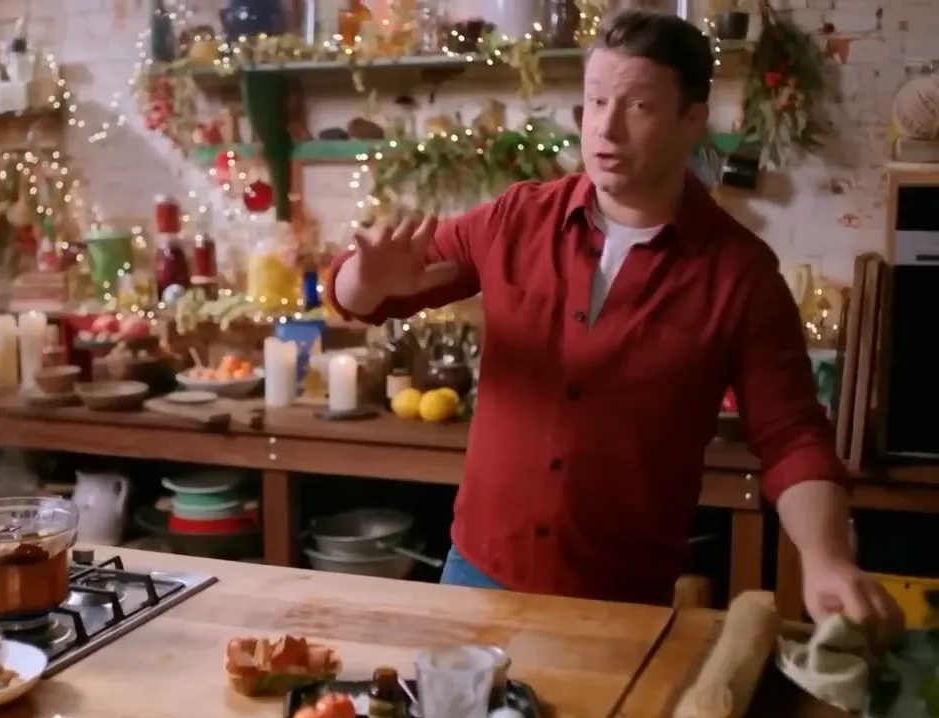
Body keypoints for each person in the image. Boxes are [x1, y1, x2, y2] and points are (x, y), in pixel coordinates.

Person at [326, 10, 903, 644]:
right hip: (478, 576)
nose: (604, 126)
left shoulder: (740, 275)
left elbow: (793, 437)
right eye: (595, 100)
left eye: (638, 106)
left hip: (622, 603)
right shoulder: (517, 218)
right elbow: (365, 294)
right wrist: (365, 281)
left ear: (691, 120)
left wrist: (825, 558)